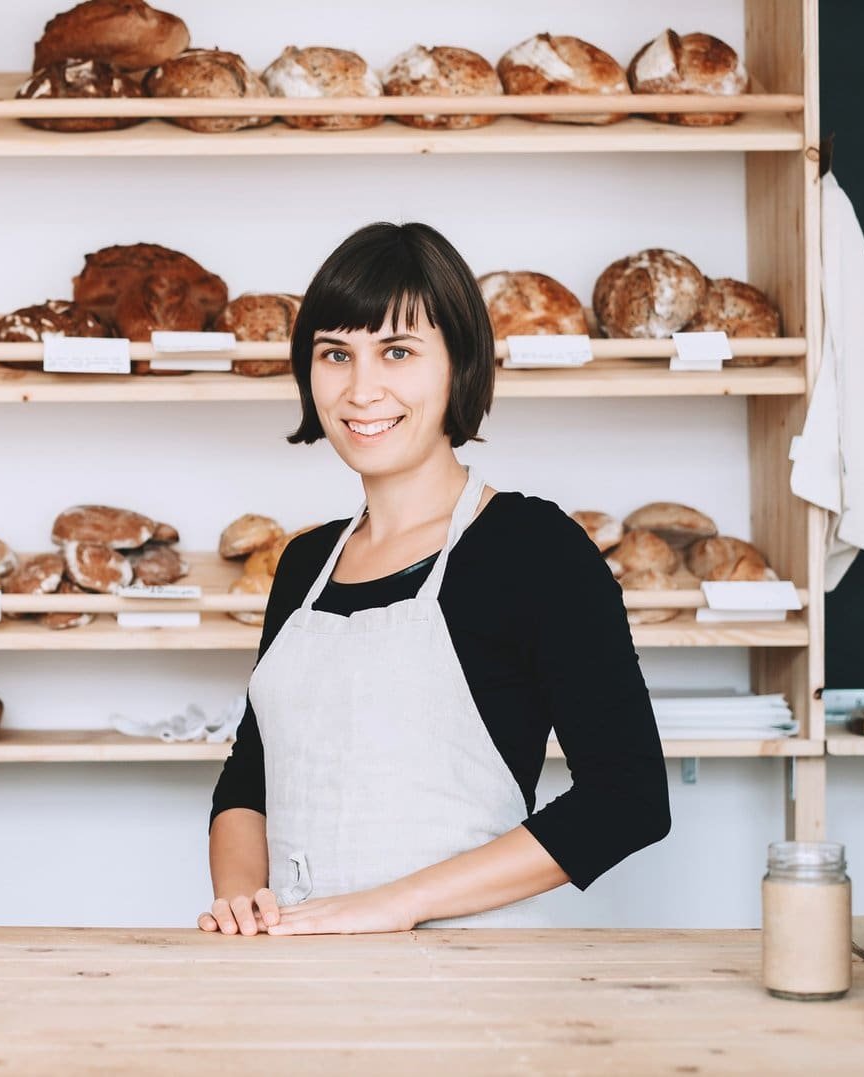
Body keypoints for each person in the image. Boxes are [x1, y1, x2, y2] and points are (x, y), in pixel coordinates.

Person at [200, 222, 670, 936]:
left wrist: (396, 902)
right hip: (296, 968)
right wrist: (240, 899)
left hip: (475, 984)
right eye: (335, 353)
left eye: (397, 351)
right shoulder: (303, 563)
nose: (361, 389)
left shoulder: (532, 548)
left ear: (460, 364)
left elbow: (627, 797)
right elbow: (250, 776)